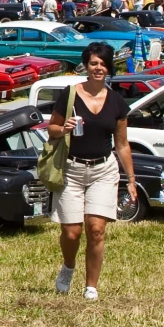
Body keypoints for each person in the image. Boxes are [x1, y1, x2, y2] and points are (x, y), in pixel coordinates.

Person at [48, 42, 135, 300]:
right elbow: (51, 129)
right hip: (71, 169)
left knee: (96, 229)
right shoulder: (70, 95)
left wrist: (131, 179)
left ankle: (91, 287)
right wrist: (65, 128)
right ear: (86, 65)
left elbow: (122, 143)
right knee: (71, 232)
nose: (99, 68)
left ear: (109, 68)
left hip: (103, 170)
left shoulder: (117, 102)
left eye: (103, 64)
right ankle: (68, 266)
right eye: (94, 63)